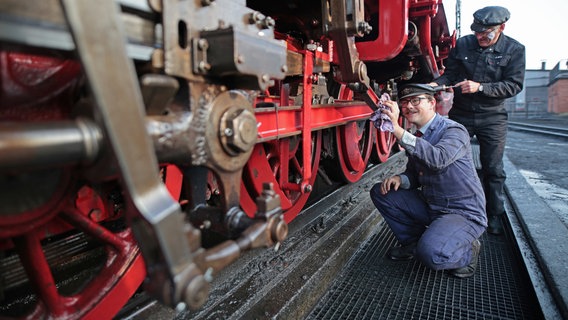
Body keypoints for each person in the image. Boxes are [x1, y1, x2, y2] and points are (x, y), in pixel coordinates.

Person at [369, 83, 487, 278]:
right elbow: (415, 174)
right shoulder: (418, 136)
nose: (408, 107)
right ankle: (413, 243)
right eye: (404, 102)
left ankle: (467, 251)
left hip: (462, 212)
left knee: (432, 255)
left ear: (432, 103)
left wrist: (397, 130)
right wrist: (401, 178)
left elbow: (438, 159)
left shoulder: (454, 131)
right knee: (381, 193)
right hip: (432, 205)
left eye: (416, 100)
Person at [429, 6, 526, 235]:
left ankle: (493, 214)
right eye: (477, 32)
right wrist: (435, 84)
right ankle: (450, 208)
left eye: (486, 33)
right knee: (448, 160)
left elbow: (514, 84)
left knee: (493, 167)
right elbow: (450, 73)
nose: (480, 37)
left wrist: (480, 87)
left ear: (501, 27)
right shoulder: (463, 44)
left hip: (493, 117)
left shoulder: (515, 50)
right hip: (462, 113)